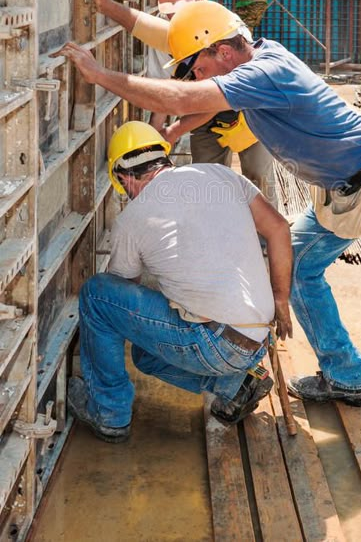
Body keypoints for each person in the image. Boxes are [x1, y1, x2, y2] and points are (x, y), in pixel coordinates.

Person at [54, 0, 361, 460]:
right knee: (294, 265)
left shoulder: (266, 72)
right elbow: (196, 96)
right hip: (346, 189)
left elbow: (177, 98)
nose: (196, 77)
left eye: (197, 67)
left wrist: (99, 75)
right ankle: (346, 376)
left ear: (222, 52)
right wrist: (170, 127)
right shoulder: (254, 61)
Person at [67, 121, 292, 443]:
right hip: (257, 339)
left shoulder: (132, 219)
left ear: (124, 177)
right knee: (146, 355)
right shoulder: (218, 175)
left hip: (213, 344)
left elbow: (121, 296)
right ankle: (237, 385)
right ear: (163, 157)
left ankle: (109, 413)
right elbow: (279, 229)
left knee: (97, 295)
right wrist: (280, 298)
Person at [87, 0, 278, 206]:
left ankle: (266, 237)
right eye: (169, 17)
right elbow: (164, 93)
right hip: (201, 110)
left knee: (258, 174)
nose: (176, 23)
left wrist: (174, 131)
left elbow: (218, 98)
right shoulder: (168, 28)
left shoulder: (224, 26)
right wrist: (155, 140)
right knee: (206, 181)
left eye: (179, 15)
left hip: (245, 109)